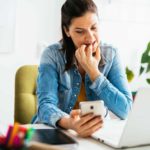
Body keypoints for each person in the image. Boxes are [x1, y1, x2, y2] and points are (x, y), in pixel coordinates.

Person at [32, 0, 132, 137]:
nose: (90, 38)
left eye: (94, 28)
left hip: (97, 135)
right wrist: (71, 123)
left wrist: (94, 72)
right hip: (58, 132)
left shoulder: (111, 54)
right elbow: (45, 106)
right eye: (80, 31)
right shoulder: (52, 55)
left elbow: (126, 110)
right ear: (67, 31)